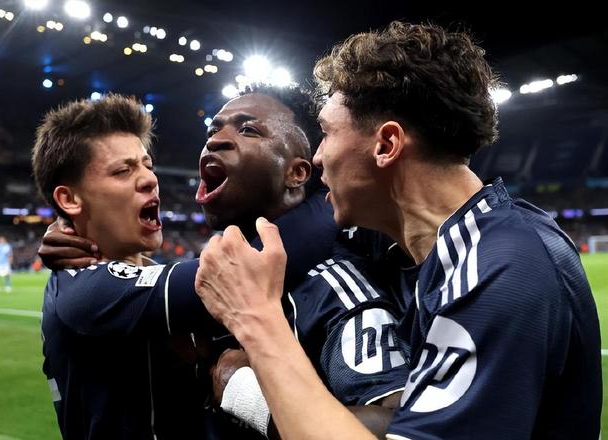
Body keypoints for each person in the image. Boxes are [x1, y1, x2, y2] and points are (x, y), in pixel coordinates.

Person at [193, 21, 602, 439]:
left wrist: (256, 323)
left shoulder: (497, 268)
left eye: (327, 133)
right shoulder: (448, 253)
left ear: (386, 145)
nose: (317, 158)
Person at [35, 87, 406, 439]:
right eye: (122, 171)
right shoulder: (85, 289)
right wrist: (330, 203)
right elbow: (222, 277)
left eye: (147, 165)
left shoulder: (332, 288)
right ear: (69, 200)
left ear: (298, 172)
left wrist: (246, 394)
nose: (149, 179)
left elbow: (404, 426)